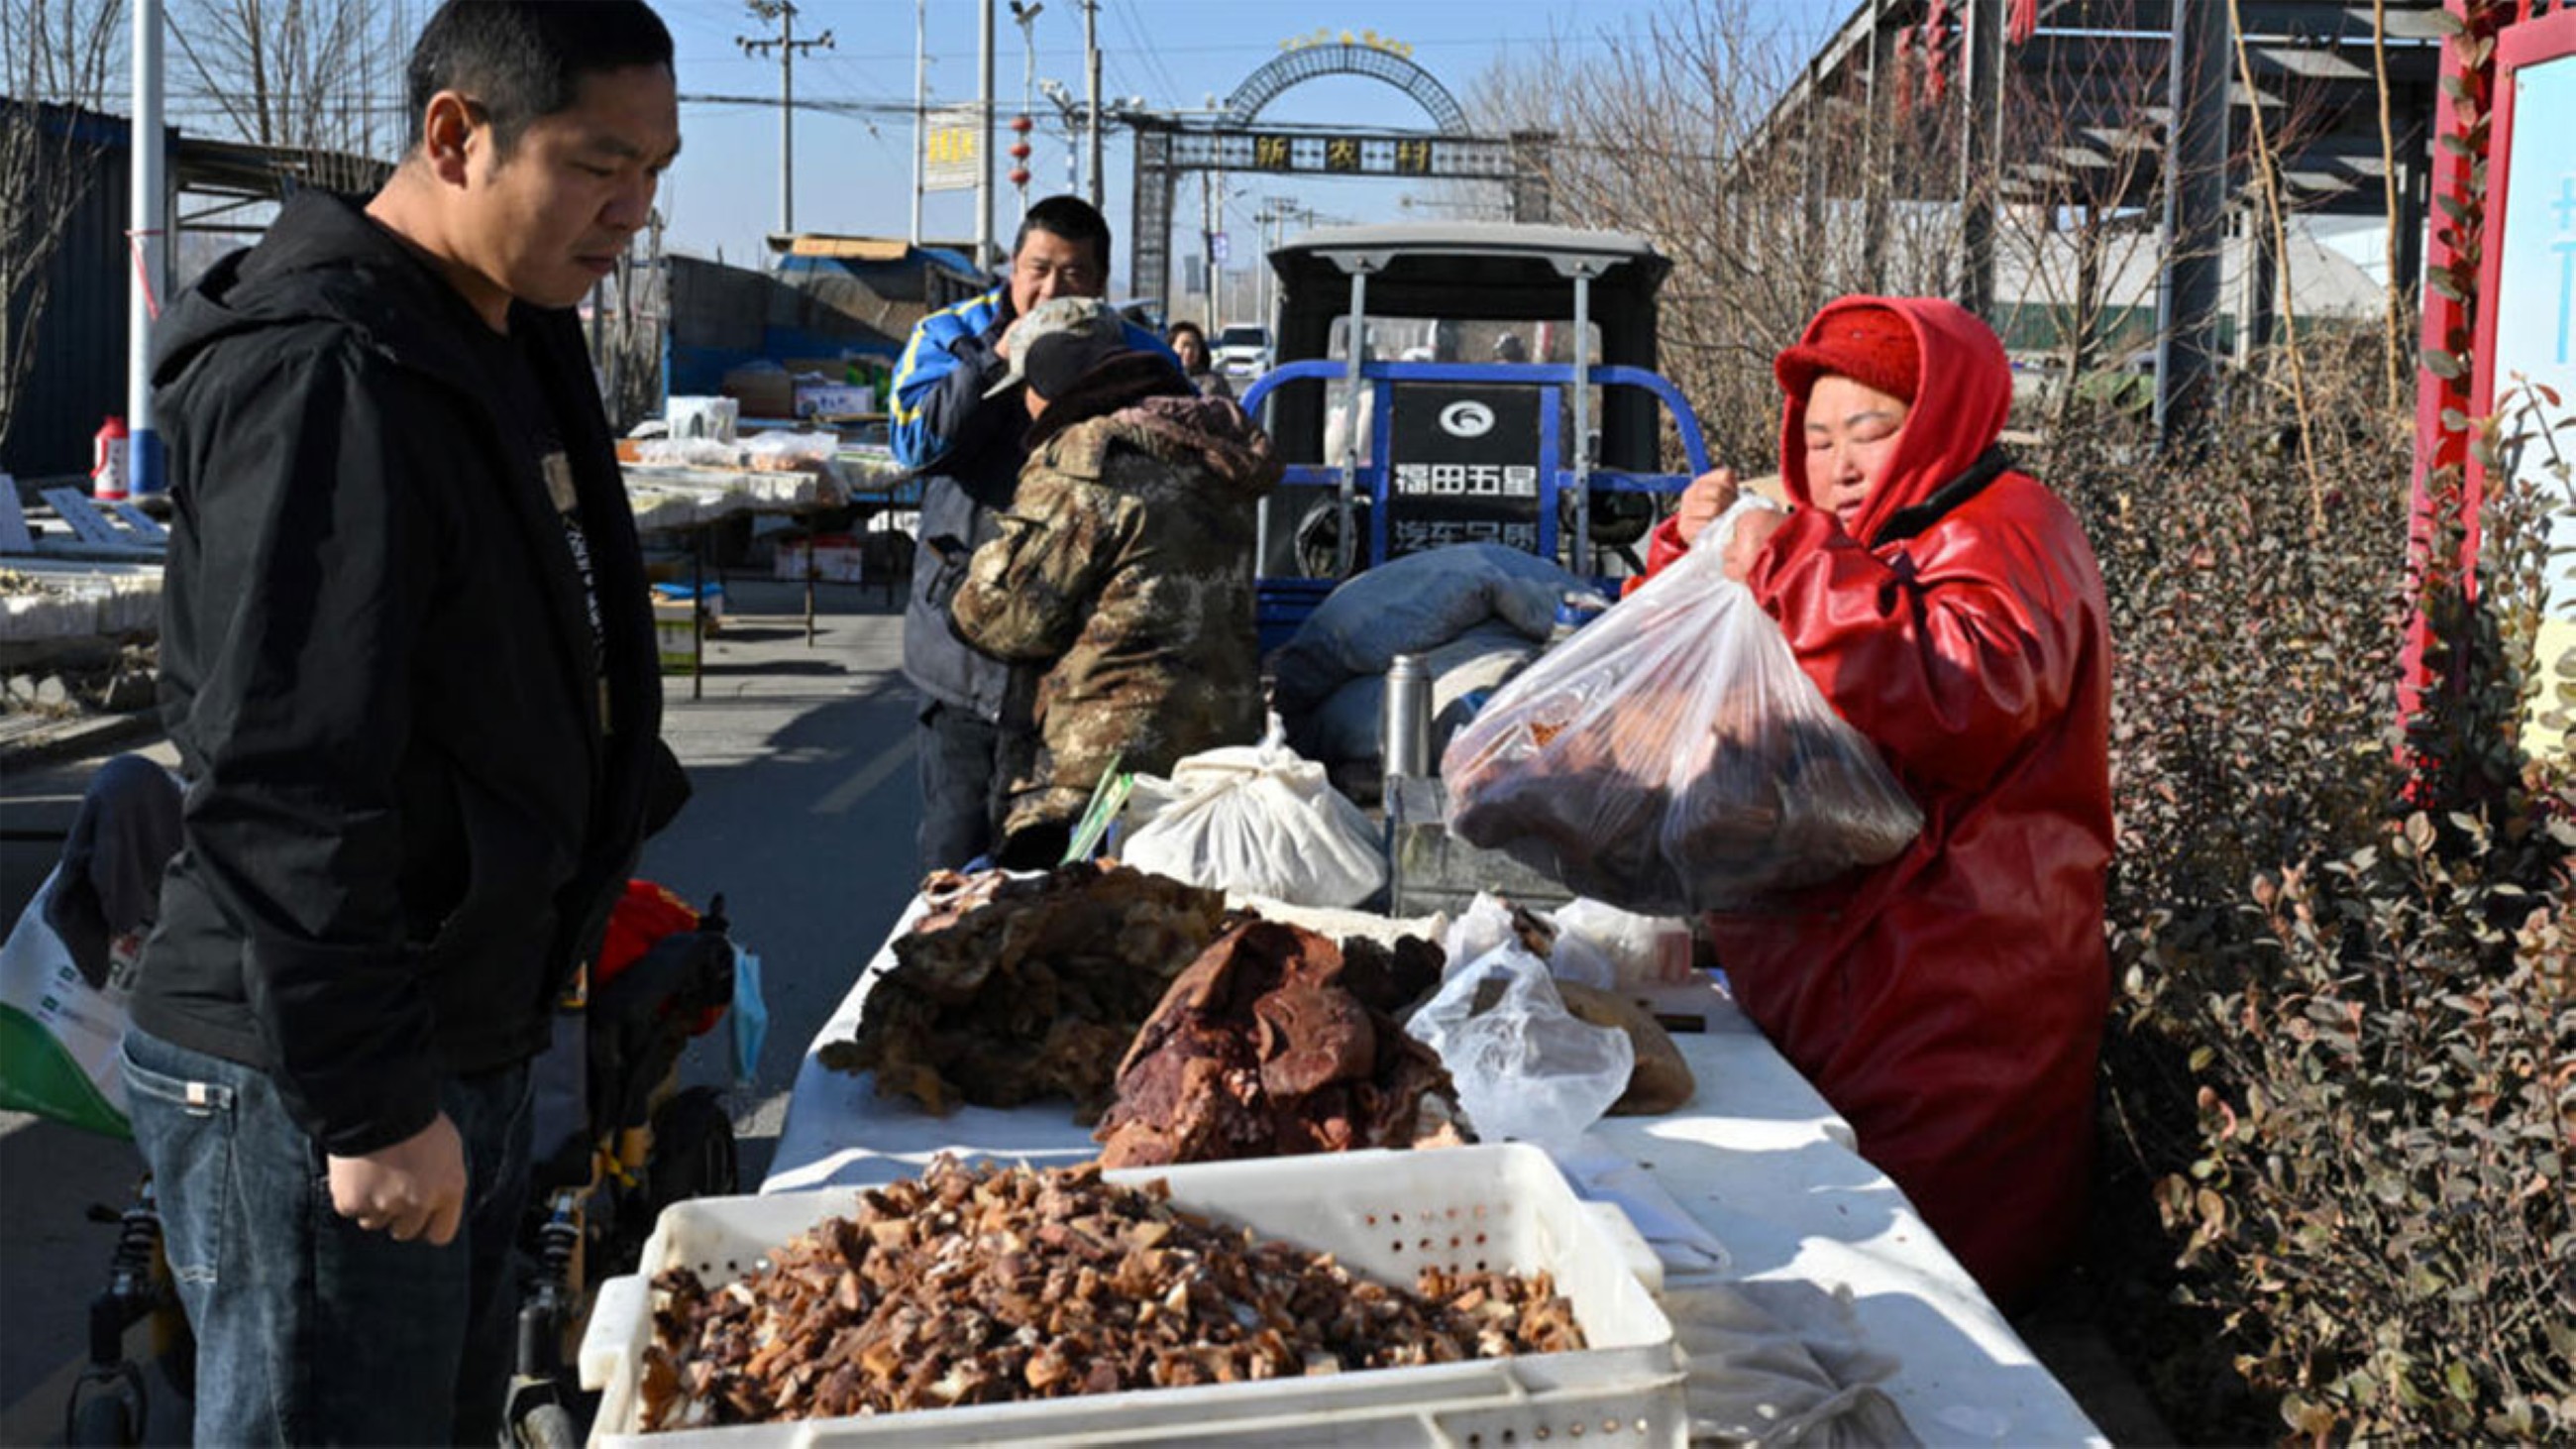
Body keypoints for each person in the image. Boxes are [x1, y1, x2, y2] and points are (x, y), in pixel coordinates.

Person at [122, 4, 688, 1441]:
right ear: (455, 134)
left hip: (463, 1023)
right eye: (599, 165)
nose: (635, 212)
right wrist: (370, 1102)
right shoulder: (331, 369)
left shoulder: (504, 327)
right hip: (320, 1069)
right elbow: (278, 773)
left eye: (658, 171)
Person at [1647, 296, 2112, 1308]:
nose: (1836, 464)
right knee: (1832, 1254)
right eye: (1814, 438)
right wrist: (1695, 554)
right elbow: (1751, 666)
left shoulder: (2008, 527)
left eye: (1871, 430)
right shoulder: (1869, 531)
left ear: (1943, 421)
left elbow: (1964, 693)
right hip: (1839, 957)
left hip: (1956, 974)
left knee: (1933, 1287)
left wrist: (1786, 561)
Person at [891, 195, 1175, 873]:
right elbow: (913, 444)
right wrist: (997, 363)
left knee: (1056, 876)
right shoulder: (947, 335)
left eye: (1072, 276)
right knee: (952, 865)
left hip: (1085, 674)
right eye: (1037, 271)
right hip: (962, 653)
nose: (1050, 290)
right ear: (1012, 269)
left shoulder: (1145, 358)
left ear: (1101, 282)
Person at [948, 297, 1280, 867]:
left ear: (1050, 379)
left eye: (1026, 389)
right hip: (1218, 752)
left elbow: (1005, 621)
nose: (1025, 408)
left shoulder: (1086, 459)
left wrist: (966, 576)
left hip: (1099, 775)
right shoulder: (1206, 448)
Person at [1166, 318, 1234, 398]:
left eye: (1194, 346)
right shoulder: (1162, 380)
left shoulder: (1215, 383)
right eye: (1184, 345)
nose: (1189, 351)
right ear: (1171, 348)